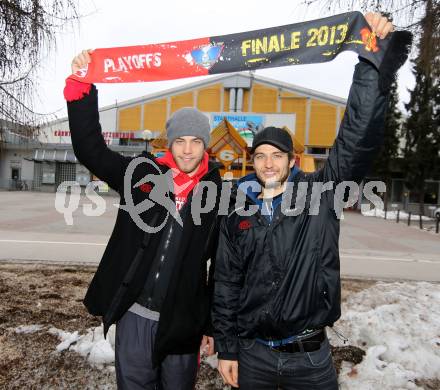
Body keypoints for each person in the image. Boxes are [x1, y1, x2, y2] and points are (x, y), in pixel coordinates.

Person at [212, 13, 399, 389]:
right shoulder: (237, 210)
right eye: (261, 155)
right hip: (254, 356)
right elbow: (226, 283)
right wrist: (227, 349)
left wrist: (369, 61)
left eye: (277, 155)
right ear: (253, 161)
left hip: (311, 359)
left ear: (291, 161)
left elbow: (355, 141)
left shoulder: (320, 194)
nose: (268, 163)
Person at [65, 51, 222, 389]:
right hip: (136, 315)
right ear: (170, 142)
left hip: (182, 323)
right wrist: (81, 88)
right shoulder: (142, 175)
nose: (188, 149)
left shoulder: (219, 194)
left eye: (196, 141)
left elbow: (220, 270)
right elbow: (91, 150)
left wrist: (210, 326)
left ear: (205, 145)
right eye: (180, 140)